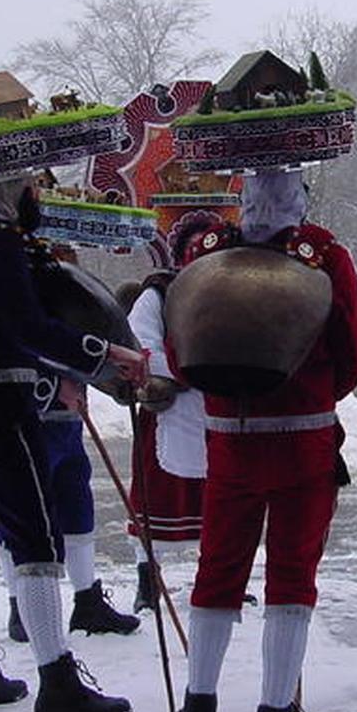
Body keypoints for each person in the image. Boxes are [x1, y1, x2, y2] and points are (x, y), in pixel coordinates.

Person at [0, 174, 147, 712]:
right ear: (12, 187)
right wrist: (104, 353)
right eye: (30, 183)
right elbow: (27, 327)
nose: (37, 193)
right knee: (35, 537)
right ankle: (58, 683)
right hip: (0, 403)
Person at [171, 170, 357, 712]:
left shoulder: (206, 250)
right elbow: (351, 354)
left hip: (230, 440)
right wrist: (313, 392)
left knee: (218, 568)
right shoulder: (325, 253)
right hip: (303, 438)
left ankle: (198, 709)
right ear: (301, 194)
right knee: (292, 573)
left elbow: (185, 347)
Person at [0, 365, 141, 642]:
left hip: (67, 421)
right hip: (25, 415)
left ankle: (87, 601)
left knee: (78, 509)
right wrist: (53, 383)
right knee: (20, 510)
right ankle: (20, 606)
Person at [124, 218, 211, 613]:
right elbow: (141, 345)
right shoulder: (157, 295)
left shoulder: (225, 291)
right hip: (170, 408)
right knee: (153, 496)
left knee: (219, 500)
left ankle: (215, 576)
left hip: (216, 410)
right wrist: (185, 372)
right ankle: (148, 579)